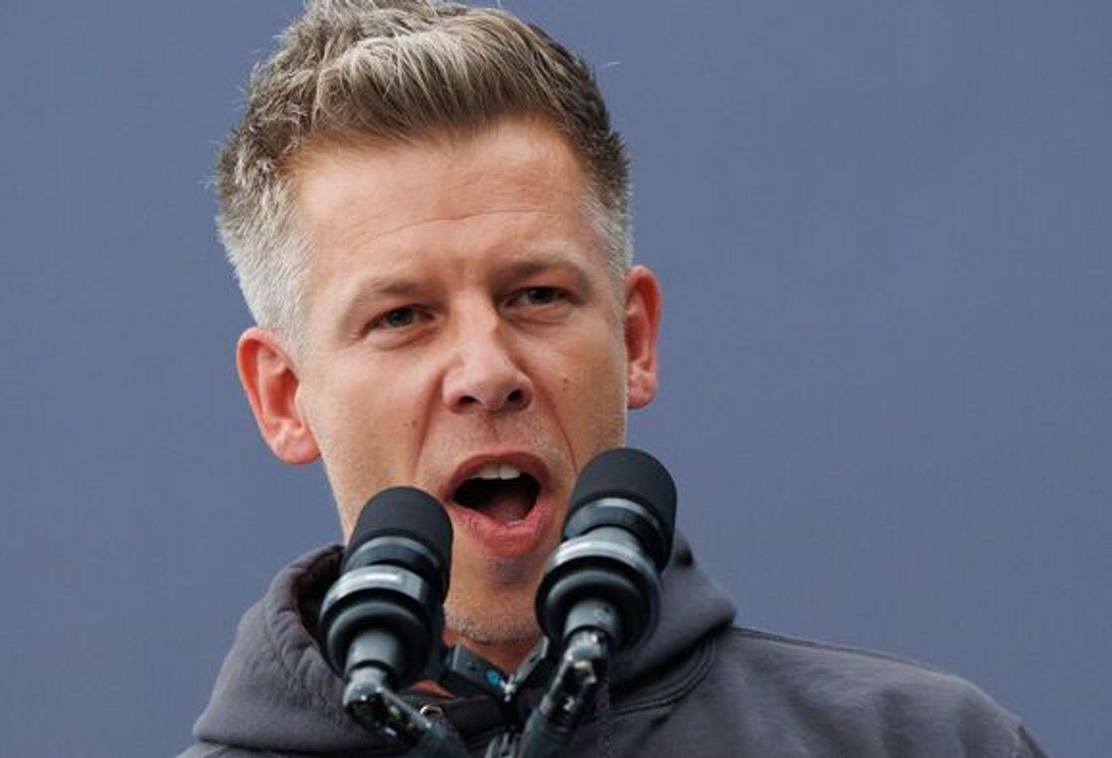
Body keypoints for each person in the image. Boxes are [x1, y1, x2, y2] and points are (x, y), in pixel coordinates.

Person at [182, 1, 1047, 755]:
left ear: (633, 339)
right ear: (284, 397)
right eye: (402, 317)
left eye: (535, 295)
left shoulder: (921, 742)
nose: (486, 371)